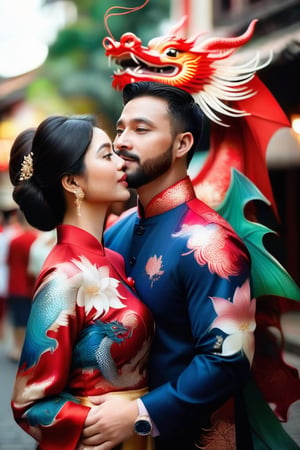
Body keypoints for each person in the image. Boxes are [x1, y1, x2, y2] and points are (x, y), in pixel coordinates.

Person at [79, 81, 255, 450]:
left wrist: (140, 412)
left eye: (141, 129)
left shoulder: (210, 242)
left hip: (188, 438)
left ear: (182, 144)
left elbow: (228, 358)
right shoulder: (116, 229)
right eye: (120, 129)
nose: (122, 141)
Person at [9, 114, 155, 450]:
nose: (121, 161)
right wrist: (105, 420)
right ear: (73, 182)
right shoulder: (64, 277)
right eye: (106, 155)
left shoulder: (114, 259)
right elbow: (28, 402)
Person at [6, 209, 38, 361]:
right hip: (28, 285)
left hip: (13, 283)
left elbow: (9, 261)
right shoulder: (34, 239)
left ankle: (16, 347)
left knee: (17, 318)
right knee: (27, 319)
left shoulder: (14, 240)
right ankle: (24, 350)